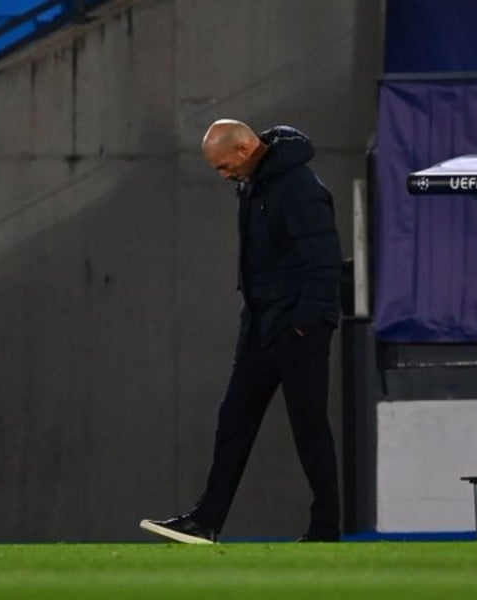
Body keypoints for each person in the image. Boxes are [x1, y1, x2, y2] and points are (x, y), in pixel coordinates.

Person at [140, 119, 343, 544]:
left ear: (245, 149)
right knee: (234, 418)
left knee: (309, 429)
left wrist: (304, 324)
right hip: (260, 322)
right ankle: (206, 521)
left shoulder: (298, 187)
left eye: (223, 167)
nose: (223, 176)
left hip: (296, 325)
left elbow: (325, 262)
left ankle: (325, 529)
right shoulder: (254, 182)